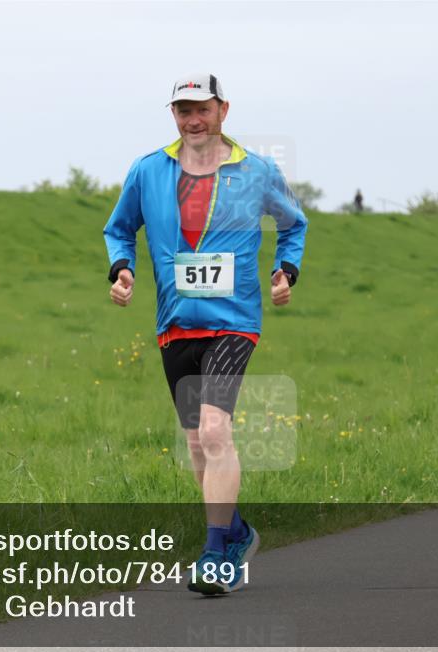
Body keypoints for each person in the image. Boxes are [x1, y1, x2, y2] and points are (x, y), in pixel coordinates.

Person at [103, 73, 308, 595]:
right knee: (197, 443)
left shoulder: (256, 170)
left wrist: (287, 270)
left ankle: (217, 555)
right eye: (183, 110)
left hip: (234, 320)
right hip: (175, 323)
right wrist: (121, 269)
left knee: (216, 432)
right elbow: (120, 227)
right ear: (173, 115)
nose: (194, 120)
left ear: (224, 110)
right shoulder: (149, 170)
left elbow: (293, 223)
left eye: (203, 109)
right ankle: (236, 532)